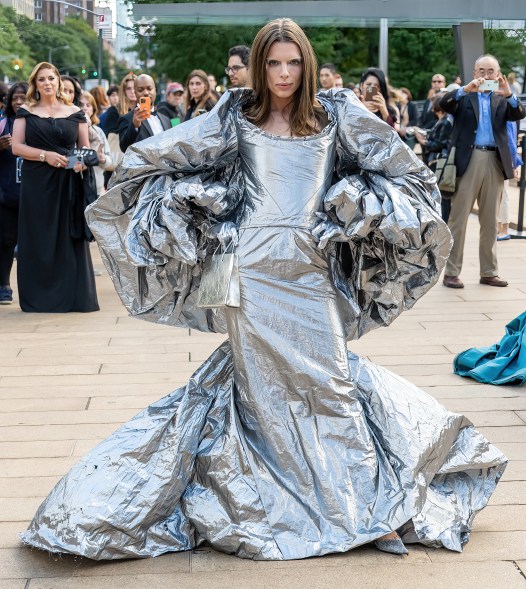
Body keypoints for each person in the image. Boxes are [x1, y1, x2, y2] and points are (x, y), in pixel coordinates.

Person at [22, 20, 505, 562]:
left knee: (331, 382)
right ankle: (294, 501)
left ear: (306, 63)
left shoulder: (335, 112)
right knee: (262, 395)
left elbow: (406, 171)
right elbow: (156, 155)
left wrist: (354, 201)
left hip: (310, 269)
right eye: (272, 63)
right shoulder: (236, 112)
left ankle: (372, 508)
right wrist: (199, 202)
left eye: (291, 63)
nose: (282, 74)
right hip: (248, 273)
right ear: (259, 65)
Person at [11, 62, 99, 313]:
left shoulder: (75, 112)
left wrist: (80, 163)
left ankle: (72, 297)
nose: (47, 83)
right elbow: (17, 146)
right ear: (35, 84)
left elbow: (85, 149)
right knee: (38, 237)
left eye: (51, 78)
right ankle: (38, 298)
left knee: (66, 238)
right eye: (41, 79)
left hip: (68, 182)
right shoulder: (26, 111)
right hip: (36, 183)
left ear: (59, 81)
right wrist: (44, 156)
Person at [440, 54, 525, 289]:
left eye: (491, 71)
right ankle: (451, 272)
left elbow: (519, 113)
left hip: (495, 161)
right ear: (475, 72)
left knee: (490, 221)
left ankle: (489, 271)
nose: (486, 75)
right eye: (481, 70)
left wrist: (508, 94)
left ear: (498, 74)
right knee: (458, 219)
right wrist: (464, 90)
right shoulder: (465, 94)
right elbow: (443, 104)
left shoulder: (502, 97)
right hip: (469, 159)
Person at [0, 82, 28, 305]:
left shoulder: (37, 124)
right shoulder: (2, 124)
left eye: (23, 98)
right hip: (6, 195)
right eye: (14, 98)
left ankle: (33, 288)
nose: (18, 102)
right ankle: (4, 286)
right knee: (6, 242)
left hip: (34, 196)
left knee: (33, 243)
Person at [414, 96, 454, 222]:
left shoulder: (446, 121)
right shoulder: (442, 120)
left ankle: (444, 222)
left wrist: (424, 142)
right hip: (437, 161)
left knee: (442, 196)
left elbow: (440, 143)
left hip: (439, 162)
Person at [118, 74, 171, 153]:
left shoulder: (165, 119)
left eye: (149, 89)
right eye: (140, 90)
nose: (146, 93)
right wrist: (134, 126)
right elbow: (124, 148)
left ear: (155, 90)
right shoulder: (127, 119)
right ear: (135, 93)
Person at [79, 91, 112, 196]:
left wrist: (103, 159)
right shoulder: (71, 130)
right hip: (78, 188)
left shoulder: (99, 131)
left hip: (97, 190)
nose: (84, 108)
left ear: (93, 110)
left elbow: (109, 161)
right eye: (81, 105)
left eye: (88, 105)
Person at [497, 121, 523, 240]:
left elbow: (510, 142)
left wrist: (514, 163)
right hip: (504, 158)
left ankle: (504, 229)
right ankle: (500, 228)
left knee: (502, 195)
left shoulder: (506, 115)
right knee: (500, 195)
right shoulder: (511, 117)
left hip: (502, 158)